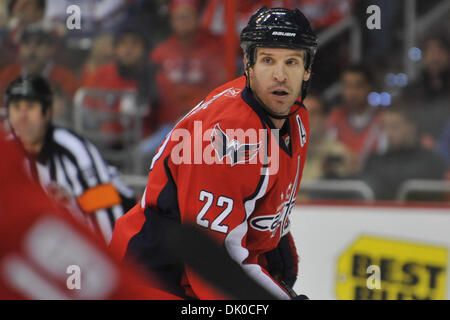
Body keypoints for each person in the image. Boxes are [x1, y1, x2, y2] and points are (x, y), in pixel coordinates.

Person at [111, 6, 317, 300]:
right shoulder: (227, 140)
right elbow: (214, 268)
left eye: (292, 62)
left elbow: (265, 206)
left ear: (307, 69)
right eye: (268, 60)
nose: (280, 76)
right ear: (248, 64)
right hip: (148, 277)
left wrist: (279, 244)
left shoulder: (297, 119)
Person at [4, 75, 135, 244]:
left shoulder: (73, 149)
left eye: (30, 107)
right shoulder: (7, 155)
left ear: (47, 112)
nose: (22, 116)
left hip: (119, 234)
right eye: (16, 107)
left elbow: (105, 215)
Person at [139, 0, 226, 158]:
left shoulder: (215, 48)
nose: (182, 22)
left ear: (197, 18)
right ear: (171, 20)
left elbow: (219, 90)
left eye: (187, 17)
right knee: (142, 152)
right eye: (178, 17)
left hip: (205, 125)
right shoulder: (161, 52)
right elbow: (154, 95)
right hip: (168, 126)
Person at [360, 104, 446, 201]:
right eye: (385, 126)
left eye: (394, 127)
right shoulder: (375, 160)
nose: (388, 133)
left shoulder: (431, 161)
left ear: (412, 126)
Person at [0, 25, 79, 123]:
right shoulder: (7, 75)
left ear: (51, 49)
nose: (32, 50)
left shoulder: (66, 79)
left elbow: (73, 114)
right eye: (26, 43)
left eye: (39, 44)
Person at [326, 64, 385, 174]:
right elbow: (326, 154)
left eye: (358, 86)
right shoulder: (334, 118)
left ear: (370, 87)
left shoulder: (383, 120)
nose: (352, 92)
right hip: (339, 181)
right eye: (347, 86)